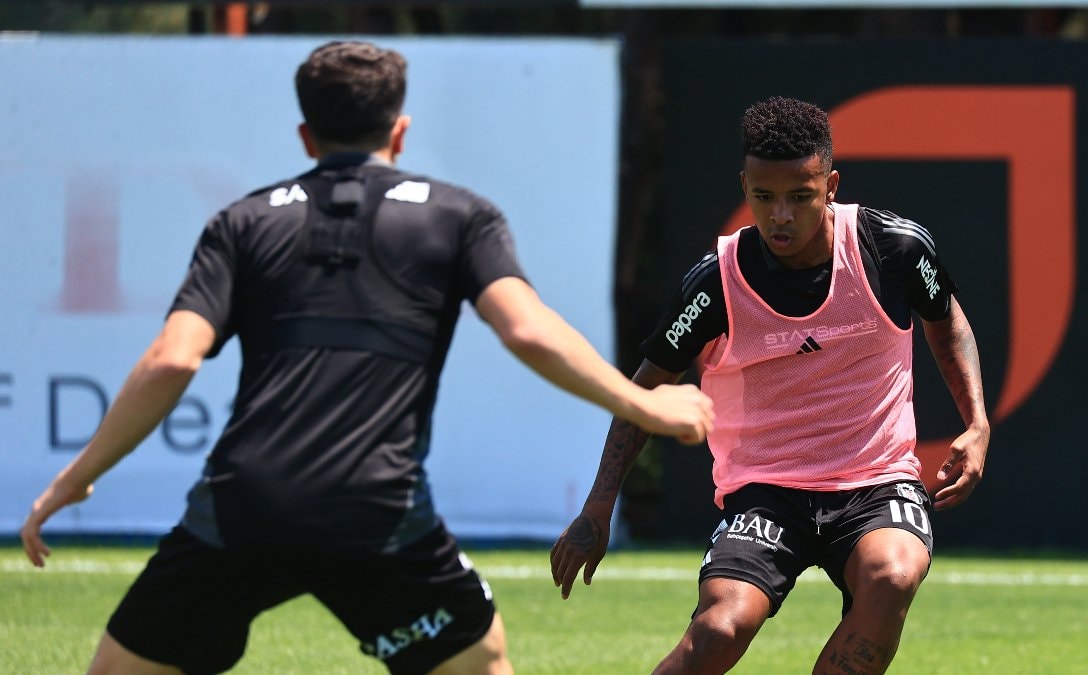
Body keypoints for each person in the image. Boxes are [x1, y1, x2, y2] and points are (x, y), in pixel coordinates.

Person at [20, 40, 714, 675]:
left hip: (243, 508)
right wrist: (644, 403)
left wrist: (74, 479)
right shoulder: (458, 215)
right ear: (399, 131)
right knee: (480, 661)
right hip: (377, 511)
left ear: (306, 136)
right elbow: (527, 330)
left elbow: (172, 361)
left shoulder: (242, 222)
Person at [551, 96, 990, 674]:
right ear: (745, 187)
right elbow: (646, 388)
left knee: (892, 574)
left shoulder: (893, 249)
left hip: (876, 479)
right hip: (765, 489)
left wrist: (977, 424)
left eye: (799, 197)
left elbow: (947, 322)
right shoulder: (717, 283)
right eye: (764, 197)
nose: (780, 216)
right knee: (720, 628)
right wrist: (599, 504)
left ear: (830, 186)